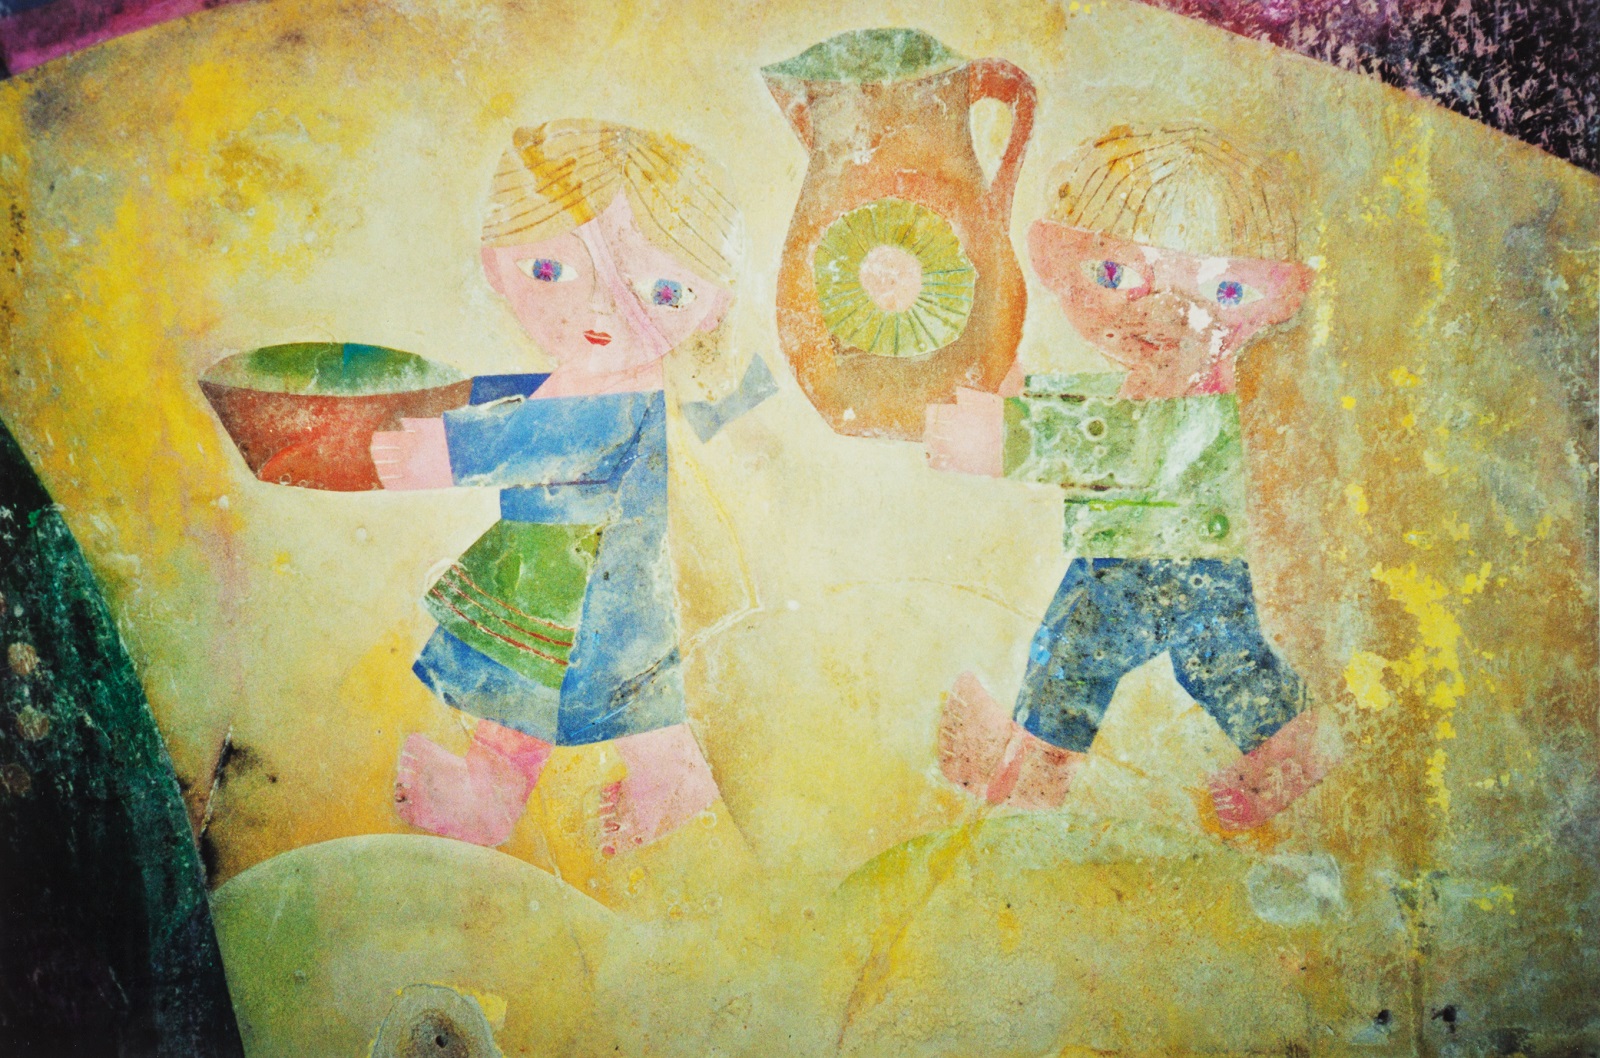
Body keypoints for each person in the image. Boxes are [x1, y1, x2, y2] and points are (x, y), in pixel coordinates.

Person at [371, 119, 772, 855]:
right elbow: (535, 400)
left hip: (603, 580)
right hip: (554, 563)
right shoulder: (597, 374)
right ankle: (494, 791)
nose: (602, 311)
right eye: (552, 270)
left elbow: (553, 434)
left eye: (662, 290)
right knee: (521, 687)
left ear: (712, 302)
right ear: (497, 265)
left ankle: (672, 782)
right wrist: (455, 405)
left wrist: (449, 450)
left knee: (623, 701)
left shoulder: (626, 396)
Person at [925, 123, 1337, 830]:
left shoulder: (1195, 406)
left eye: (1222, 290)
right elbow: (1099, 409)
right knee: (1219, 664)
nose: (1164, 314)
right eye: (1116, 277)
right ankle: (1292, 751)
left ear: (1268, 300)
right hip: (1168, 558)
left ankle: (1030, 774)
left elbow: (1115, 443)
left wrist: (1004, 436)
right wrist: (1017, 394)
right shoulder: (1161, 388)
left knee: (1076, 657)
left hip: (1156, 562)